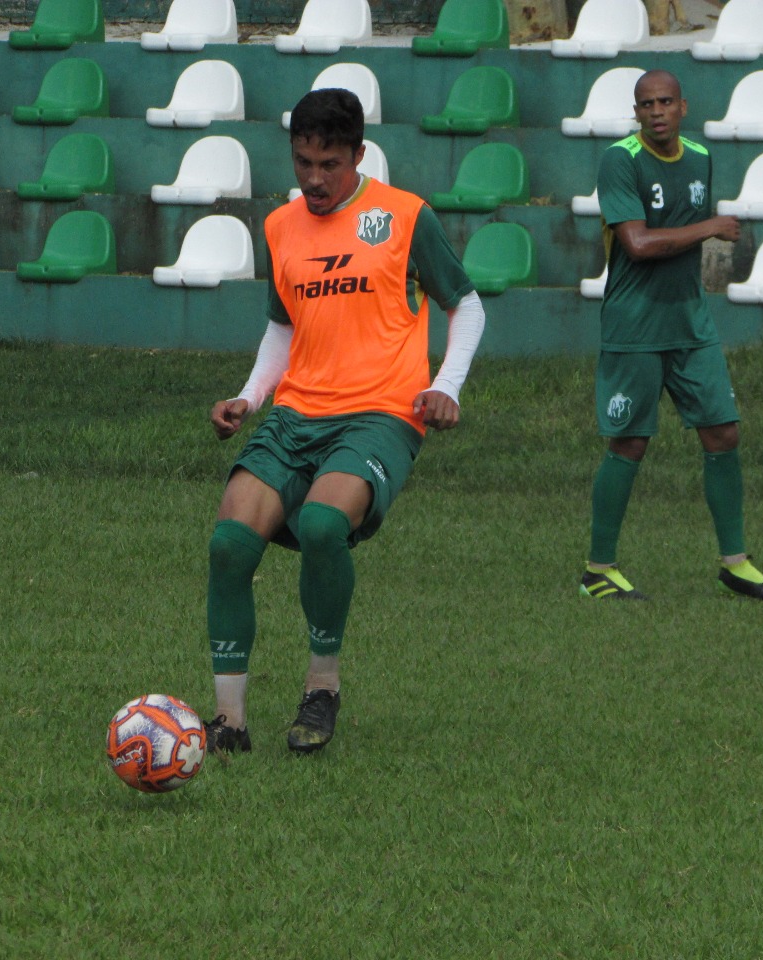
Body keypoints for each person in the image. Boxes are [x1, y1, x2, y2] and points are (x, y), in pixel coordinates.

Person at [203, 88, 485, 755]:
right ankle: (228, 724)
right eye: (303, 162)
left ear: (359, 155)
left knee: (325, 525)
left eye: (329, 164)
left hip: (381, 413)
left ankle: (322, 686)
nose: (314, 179)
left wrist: (445, 386)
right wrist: (249, 396)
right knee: (229, 544)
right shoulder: (281, 226)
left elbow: (467, 306)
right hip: (297, 411)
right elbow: (282, 326)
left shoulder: (405, 216)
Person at [578, 69, 763, 602]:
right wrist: (710, 227)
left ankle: (736, 563)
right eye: (647, 104)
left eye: (665, 101)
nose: (657, 112)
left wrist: (702, 232)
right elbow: (638, 244)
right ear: (636, 112)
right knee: (630, 441)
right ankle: (598, 569)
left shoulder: (699, 157)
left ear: (683, 107)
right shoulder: (620, 160)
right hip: (635, 325)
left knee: (723, 432)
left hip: (691, 324)